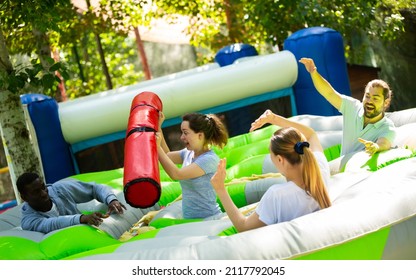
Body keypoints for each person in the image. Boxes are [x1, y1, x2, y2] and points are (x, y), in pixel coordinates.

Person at [210, 110, 331, 232]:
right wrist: (275, 119)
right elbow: (311, 135)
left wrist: (220, 189)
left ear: (280, 159)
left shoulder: (277, 195)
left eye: (270, 154)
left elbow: (244, 227)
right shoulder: (320, 169)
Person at [299, 57, 396, 156]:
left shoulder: (387, 127)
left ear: (386, 102)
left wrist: (375, 146)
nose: (369, 101)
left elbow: (384, 143)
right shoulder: (353, 107)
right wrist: (313, 72)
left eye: (375, 98)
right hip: (342, 167)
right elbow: (329, 93)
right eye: (367, 96)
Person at [157, 112, 228, 219]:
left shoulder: (208, 159)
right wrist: (158, 128)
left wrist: (156, 147)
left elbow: (176, 174)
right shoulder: (188, 153)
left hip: (208, 219)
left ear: (200, 135)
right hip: (190, 220)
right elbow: (167, 156)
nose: (181, 137)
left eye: (185, 133)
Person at [16, 172, 126, 234]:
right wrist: (82, 218)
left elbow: (95, 188)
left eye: (43, 187)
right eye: (36, 192)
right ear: (24, 197)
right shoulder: (29, 221)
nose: (44, 193)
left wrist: (111, 200)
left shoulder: (59, 190)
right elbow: (52, 224)